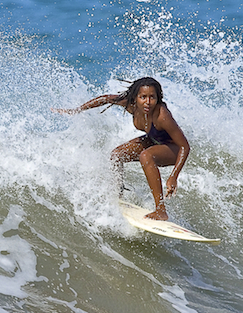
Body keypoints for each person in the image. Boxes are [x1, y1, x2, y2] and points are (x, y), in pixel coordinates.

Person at [52, 77, 190, 220]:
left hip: (172, 149)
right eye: (143, 97)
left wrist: (173, 176)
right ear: (135, 98)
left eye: (152, 97)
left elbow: (184, 146)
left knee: (145, 156)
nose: (148, 102)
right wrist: (77, 110)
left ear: (158, 98)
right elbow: (105, 98)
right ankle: (118, 197)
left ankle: (161, 210)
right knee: (117, 155)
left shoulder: (162, 116)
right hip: (153, 140)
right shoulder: (131, 105)